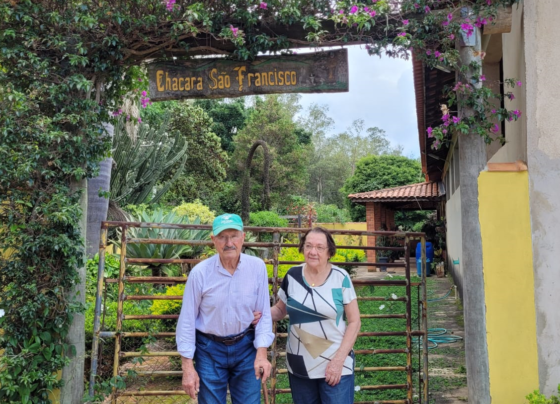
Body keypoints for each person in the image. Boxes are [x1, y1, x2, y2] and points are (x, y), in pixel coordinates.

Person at [176, 213, 274, 404]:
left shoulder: (257, 268)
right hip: (209, 350)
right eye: (222, 237)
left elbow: (263, 314)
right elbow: (187, 320)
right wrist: (187, 367)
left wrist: (261, 354)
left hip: (246, 346)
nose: (229, 242)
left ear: (243, 237)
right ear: (213, 240)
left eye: (234, 235)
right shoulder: (200, 273)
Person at [270, 227, 361, 404]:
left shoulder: (340, 277)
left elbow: (354, 321)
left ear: (329, 252)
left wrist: (338, 360)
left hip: (334, 364)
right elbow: (281, 310)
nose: (313, 252)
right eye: (308, 246)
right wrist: (259, 315)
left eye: (319, 247)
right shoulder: (293, 275)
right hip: (300, 365)